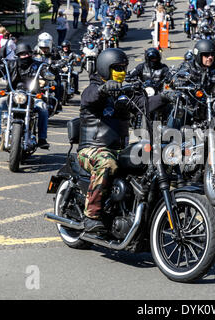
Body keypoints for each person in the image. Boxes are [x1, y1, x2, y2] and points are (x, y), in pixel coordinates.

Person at [77, 48, 131, 232]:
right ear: (105, 68)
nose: (121, 72)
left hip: (120, 149)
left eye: (124, 67)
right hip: (91, 149)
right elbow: (89, 97)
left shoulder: (124, 90)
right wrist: (103, 89)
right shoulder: (94, 87)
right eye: (117, 67)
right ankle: (91, 215)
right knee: (106, 162)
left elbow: (145, 105)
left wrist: (165, 98)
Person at [166, 39, 215, 127]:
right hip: (188, 106)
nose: (210, 57)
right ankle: (168, 139)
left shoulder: (214, 68)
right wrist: (182, 83)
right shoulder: (189, 66)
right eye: (206, 55)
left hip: (206, 107)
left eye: (212, 55)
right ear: (198, 55)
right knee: (177, 114)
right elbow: (177, 78)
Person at [0, 43, 50, 149]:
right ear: (18, 55)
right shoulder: (10, 64)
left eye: (27, 53)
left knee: (43, 108)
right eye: (22, 54)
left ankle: (42, 139)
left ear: (31, 54)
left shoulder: (38, 65)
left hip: (32, 96)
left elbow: (45, 70)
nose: (25, 56)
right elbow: (0, 71)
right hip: (12, 95)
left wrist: (48, 73)